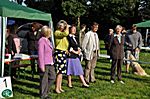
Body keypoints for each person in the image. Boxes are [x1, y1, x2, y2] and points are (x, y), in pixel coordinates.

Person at [38, 26, 56, 99]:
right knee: (44, 80)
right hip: (44, 63)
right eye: (49, 32)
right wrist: (41, 66)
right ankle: (43, 95)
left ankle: (46, 91)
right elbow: (40, 54)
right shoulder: (41, 41)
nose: (51, 34)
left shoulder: (48, 40)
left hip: (50, 62)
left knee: (52, 77)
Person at [54, 20, 69, 93]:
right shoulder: (57, 32)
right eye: (63, 26)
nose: (65, 27)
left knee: (62, 72)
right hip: (59, 53)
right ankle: (56, 88)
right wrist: (67, 27)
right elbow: (66, 33)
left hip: (63, 52)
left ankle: (59, 87)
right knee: (59, 71)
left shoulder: (62, 33)